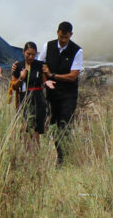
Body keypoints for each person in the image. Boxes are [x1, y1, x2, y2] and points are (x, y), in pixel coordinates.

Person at [39, 21, 83, 163]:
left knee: (64, 125)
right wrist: (46, 80)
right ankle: (60, 155)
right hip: (52, 94)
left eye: (66, 38)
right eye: (61, 37)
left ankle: (64, 158)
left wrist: (53, 76)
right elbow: (41, 65)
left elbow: (73, 76)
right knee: (54, 125)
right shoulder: (48, 46)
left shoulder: (77, 51)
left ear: (71, 35)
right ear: (57, 32)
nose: (63, 40)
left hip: (68, 95)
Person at [12, 42, 51, 146]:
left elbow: (44, 81)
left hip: (37, 98)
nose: (30, 57)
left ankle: (36, 151)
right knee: (24, 126)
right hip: (24, 97)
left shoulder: (40, 65)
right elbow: (14, 86)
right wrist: (21, 78)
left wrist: (47, 81)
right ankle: (25, 150)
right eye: (28, 54)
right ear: (23, 52)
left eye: (33, 54)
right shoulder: (18, 66)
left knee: (36, 127)